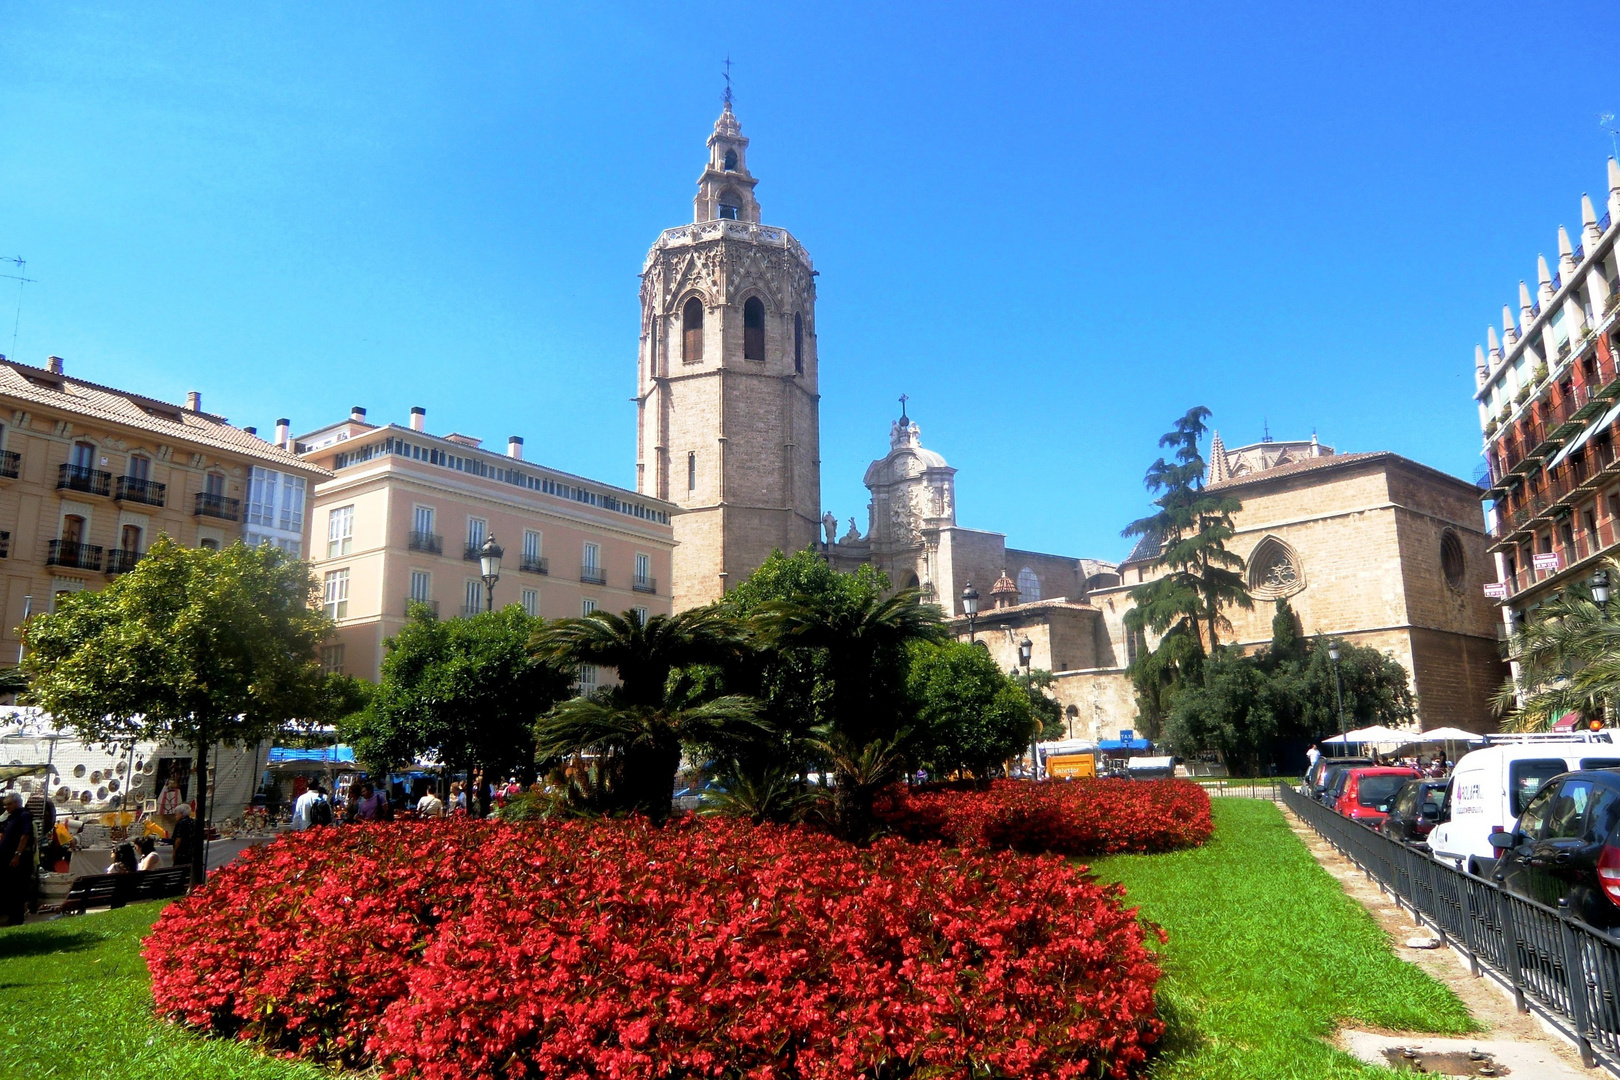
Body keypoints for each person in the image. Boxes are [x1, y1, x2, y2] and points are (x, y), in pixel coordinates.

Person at [0, 791, 35, 926]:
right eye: (5, 805)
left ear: (17, 803)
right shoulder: (11, 817)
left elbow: (25, 835)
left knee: (16, 888)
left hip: (17, 860)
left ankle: (16, 918)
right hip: (7, 857)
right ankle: (10, 916)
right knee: (9, 888)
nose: (6, 807)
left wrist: (17, 854)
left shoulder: (24, 815)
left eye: (9, 804)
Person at [170, 804, 198, 873]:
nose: (175, 816)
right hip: (191, 851)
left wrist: (174, 851)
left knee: (178, 871)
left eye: (177, 814)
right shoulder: (193, 822)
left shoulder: (180, 823)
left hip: (182, 852)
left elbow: (178, 840)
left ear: (181, 814)